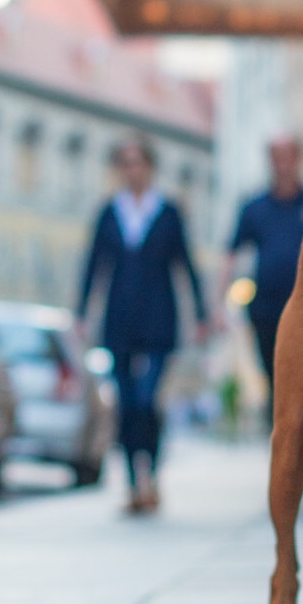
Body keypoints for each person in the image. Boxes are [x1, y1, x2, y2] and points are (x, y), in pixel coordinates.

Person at [77, 137, 206, 513]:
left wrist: (199, 315)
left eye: (138, 163)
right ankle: (135, 483)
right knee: (126, 403)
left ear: (149, 167)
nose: (132, 171)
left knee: (147, 400)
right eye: (125, 164)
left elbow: (186, 264)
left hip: (158, 322)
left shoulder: (167, 212)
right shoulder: (109, 212)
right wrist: (82, 314)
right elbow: (94, 265)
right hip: (118, 321)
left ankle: (151, 473)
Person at [224, 138, 303, 405]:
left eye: (288, 157)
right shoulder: (254, 207)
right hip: (266, 309)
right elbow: (231, 253)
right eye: (277, 157)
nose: (283, 165)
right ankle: (277, 423)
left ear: (298, 159)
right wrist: (219, 306)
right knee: (275, 376)